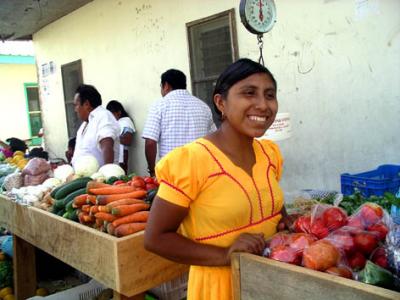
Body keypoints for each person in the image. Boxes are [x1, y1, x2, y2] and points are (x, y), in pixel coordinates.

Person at [144, 59, 294, 300]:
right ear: (220, 102)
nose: (263, 105)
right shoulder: (191, 161)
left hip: (269, 282)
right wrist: (225, 254)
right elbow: (156, 238)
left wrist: (285, 220)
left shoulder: (269, 154)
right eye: (249, 93)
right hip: (220, 287)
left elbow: (269, 203)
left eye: (270, 95)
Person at [142, 69, 216, 176]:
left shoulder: (159, 106)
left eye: (161, 86)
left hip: (172, 173)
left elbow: (150, 143)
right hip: (201, 171)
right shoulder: (203, 106)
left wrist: (152, 170)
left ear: (166, 86)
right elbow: (213, 139)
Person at [71, 84, 120, 167]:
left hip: (99, 178)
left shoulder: (103, 116)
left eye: (76, 105)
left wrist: (106, 173)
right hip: (82, 177)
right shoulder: (84, 124)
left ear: (86, 104)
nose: (75, 110)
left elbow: (107, 145)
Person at [106, 100, 136, 173]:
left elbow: (128, 140)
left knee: (120, 176)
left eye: (111, 114)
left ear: (119, 112)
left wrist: (112, 138)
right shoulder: (114, 123)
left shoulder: (125, 122)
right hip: (114, 154)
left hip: (122, 155)